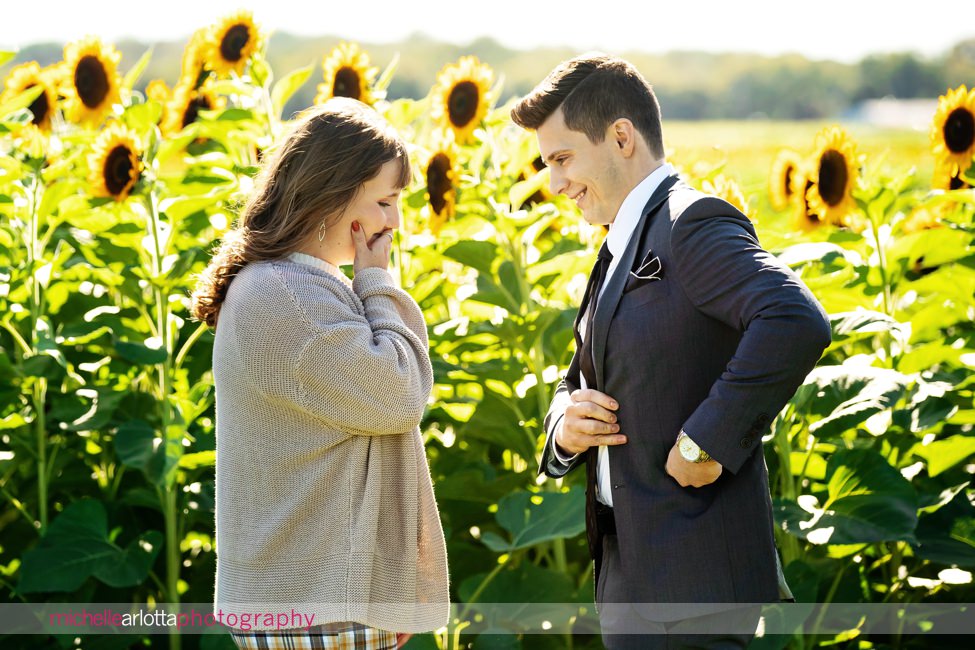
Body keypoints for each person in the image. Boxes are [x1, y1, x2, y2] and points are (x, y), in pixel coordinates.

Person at [511, 54, 831, 648]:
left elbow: (794, 317)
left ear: (622, 137)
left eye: (561, 159)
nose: (553, 183)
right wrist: (564, 428)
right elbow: (578, 377)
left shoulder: (691, 222)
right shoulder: (619, 242)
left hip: (694, 585)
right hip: (631, 579)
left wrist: (706, 440)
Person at [190, 98, 449, 650]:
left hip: (313, 601)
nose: (395, 221)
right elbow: (400, 394)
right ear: (333, 198)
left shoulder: (286, 285)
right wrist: (376, 282)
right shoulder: (294, 297)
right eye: (385, 201)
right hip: (317, 606)